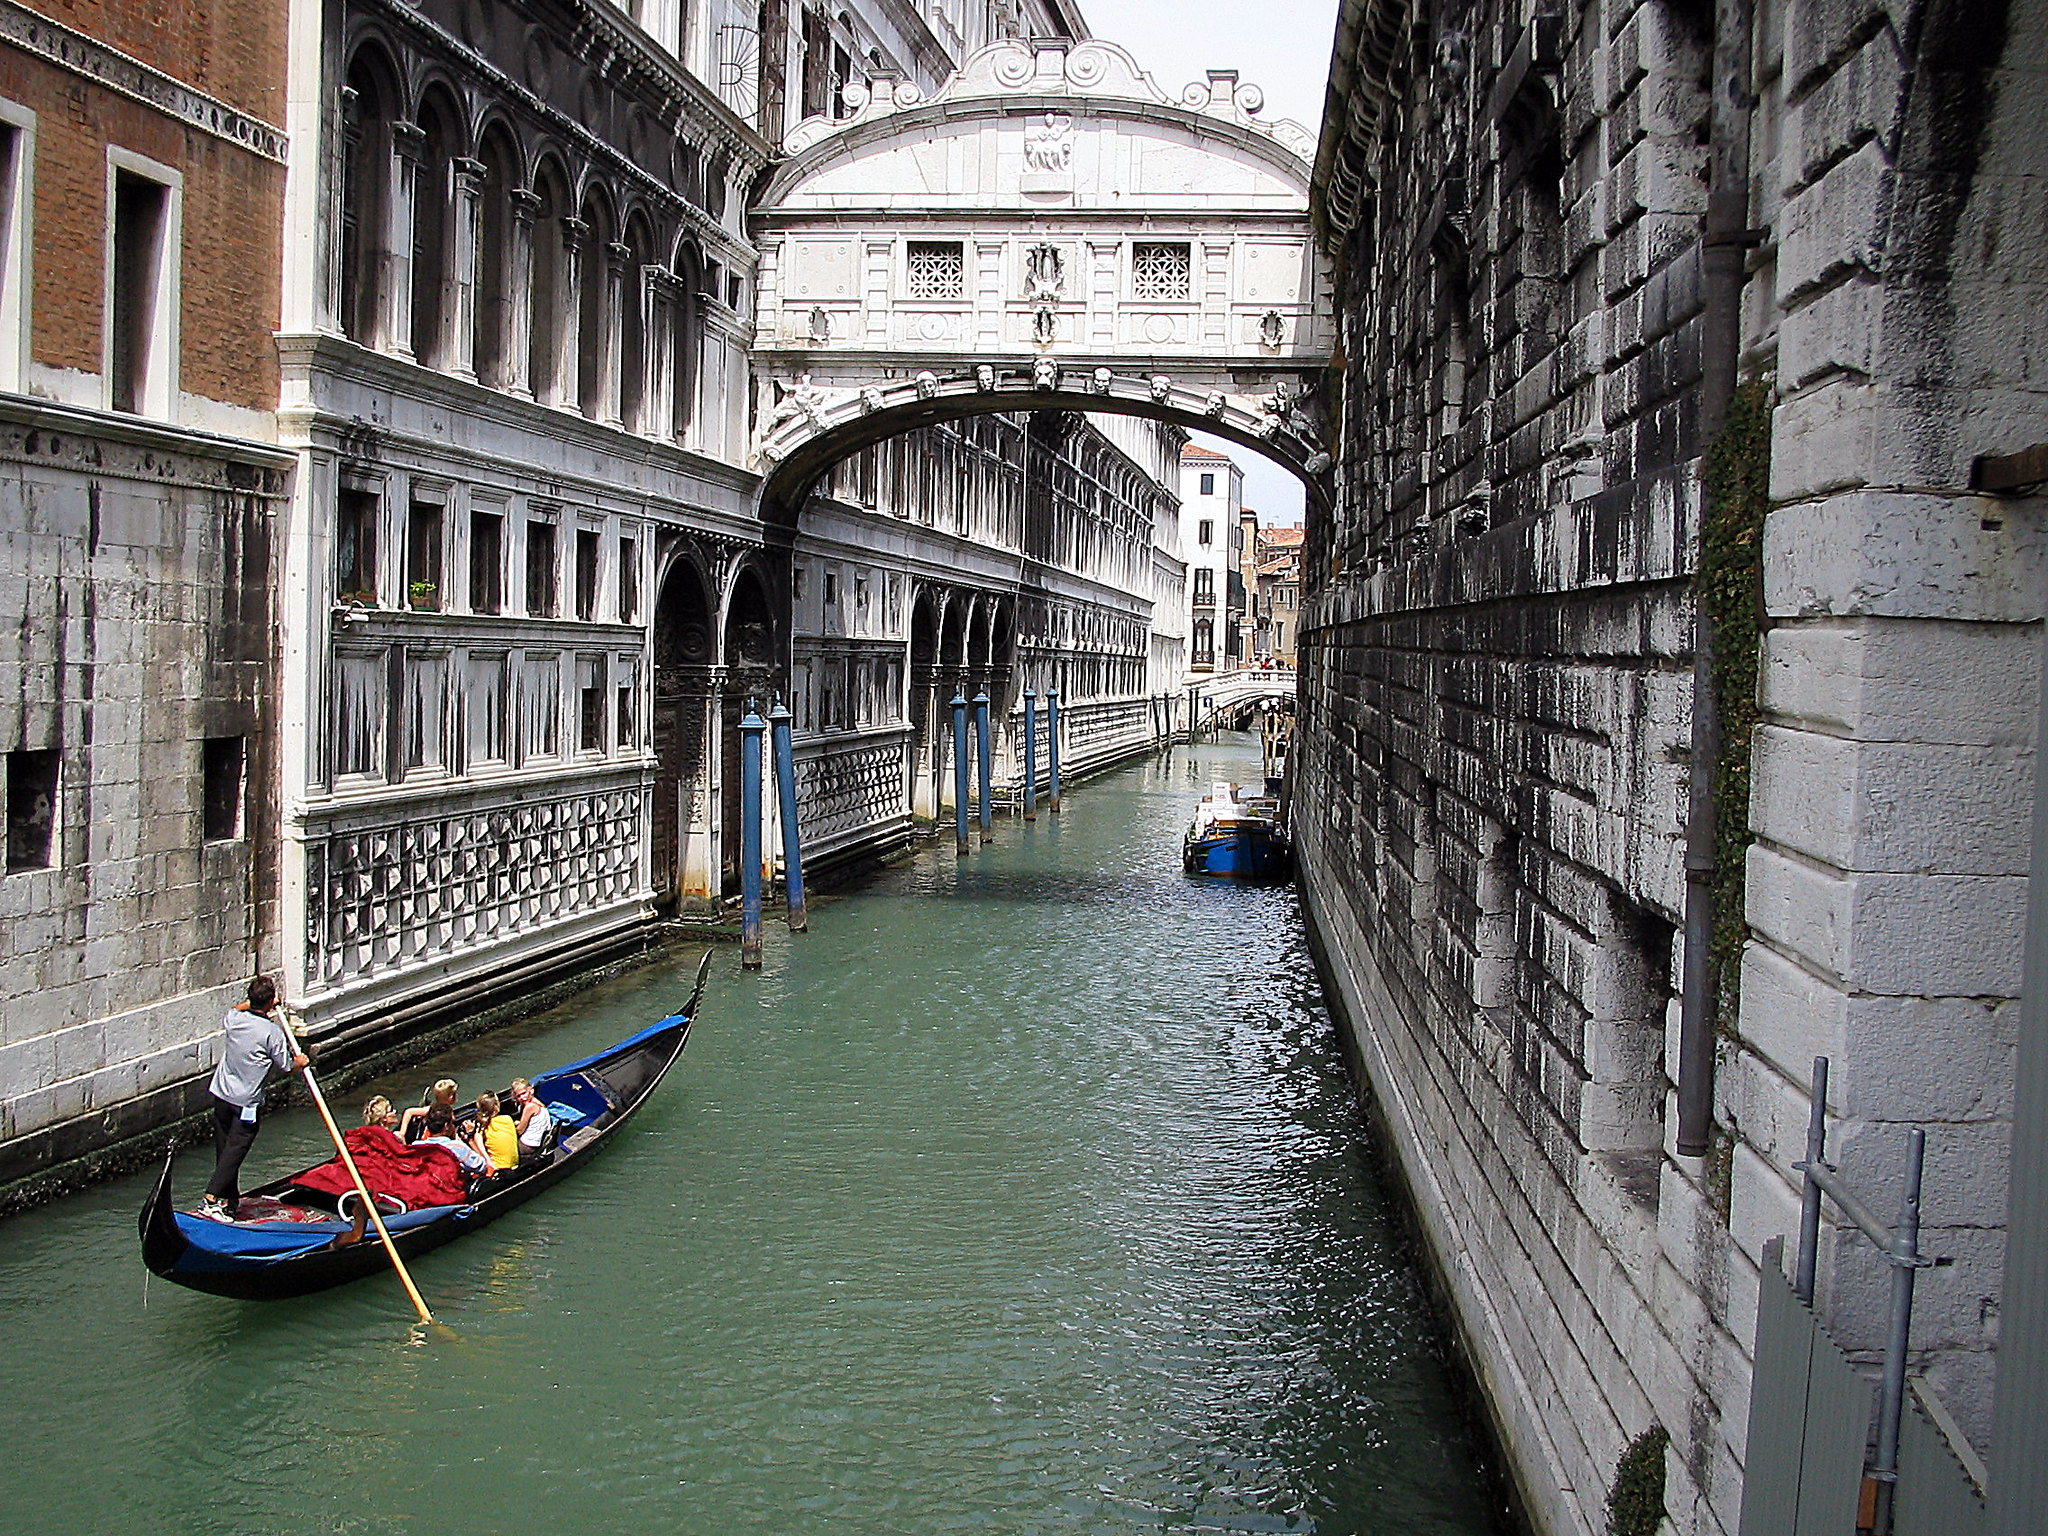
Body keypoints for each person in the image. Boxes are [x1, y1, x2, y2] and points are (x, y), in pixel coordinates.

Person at [200, 975, 308, 1221]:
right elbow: (286, 1066)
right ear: (270, 1002)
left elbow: (238, 1007)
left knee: (225, 1150)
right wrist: (300, 1062)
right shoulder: (272, 1033)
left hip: (221, 1093)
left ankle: (230, 1201)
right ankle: (210, 1199)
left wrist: (262, 1001)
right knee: (235, 1152)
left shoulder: (234, 1019)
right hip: (246, 1103)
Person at [416, 1104, 491, 1181]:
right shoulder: (456, 1147)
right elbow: (481, 1166)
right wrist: (470, 1139)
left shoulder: (415, 1146)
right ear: (446, 1126)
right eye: (453, 1123)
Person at [474, 1091, 520, 1171]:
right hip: (513, 1165)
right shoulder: (507, 1119)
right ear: (496, 1107)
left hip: (498, 1168)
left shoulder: (482, 1128)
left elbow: (478, 1139)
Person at [510, 1078, 553, 1157]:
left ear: (531, 1090)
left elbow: (519, 1131)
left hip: (527, 1145)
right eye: (519, 1096)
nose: (522, 1098)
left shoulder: (529, 1107)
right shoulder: (538, 1103)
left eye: (524, 1093)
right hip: (538, 1142)